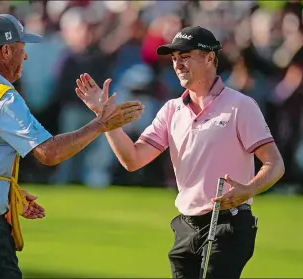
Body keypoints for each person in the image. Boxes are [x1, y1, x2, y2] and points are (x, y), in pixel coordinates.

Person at [0, 14, 143, 278]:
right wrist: (100, 125)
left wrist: (9, 189)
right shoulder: (1, 98)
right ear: (6, 50)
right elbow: (49, 152)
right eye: (21, 49)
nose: (24, 57)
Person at [75, 26, 285, 279]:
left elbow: (274, 164)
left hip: (228, 223)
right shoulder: (171, 110)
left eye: (185, 56)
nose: (178, 65)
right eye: (174, 59)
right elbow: (133, 159)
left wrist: (249, 189)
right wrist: (105, 120)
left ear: (210, 58)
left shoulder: (241, 105)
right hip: (186, 227)